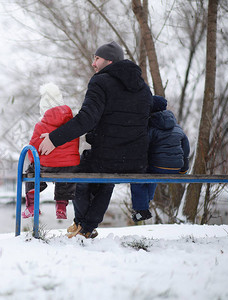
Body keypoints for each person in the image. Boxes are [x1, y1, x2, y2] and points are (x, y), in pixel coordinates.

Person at [38, 41, 153, 238]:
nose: (93, 63)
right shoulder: (143, 88)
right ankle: (85, 227)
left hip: (107, 156)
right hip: (137, 160)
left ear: (109, 61)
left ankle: (84, 225)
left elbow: (87, 119)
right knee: (106, 181)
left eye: (97, 58)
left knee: (79, 176)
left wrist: (54, 138)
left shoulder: (100, 82)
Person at [23, 82, 80, 219]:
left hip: (47, 167)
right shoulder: (71, 125)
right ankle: (61, 207)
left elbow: (32, 152)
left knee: (31, 170)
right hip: (69, 168)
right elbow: (74, 147)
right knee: (65, 172)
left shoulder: (41, 125)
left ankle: (32, 205)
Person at [130, 96, 190, 222]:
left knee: (138, 177)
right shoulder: (177, 127)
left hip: (157, 167)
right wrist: (183, 168)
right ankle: (145, 203)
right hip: (176, 168)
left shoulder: (150, 126)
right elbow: (186, 148)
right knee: (152, 173)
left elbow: (144, 147)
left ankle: (142, 208)